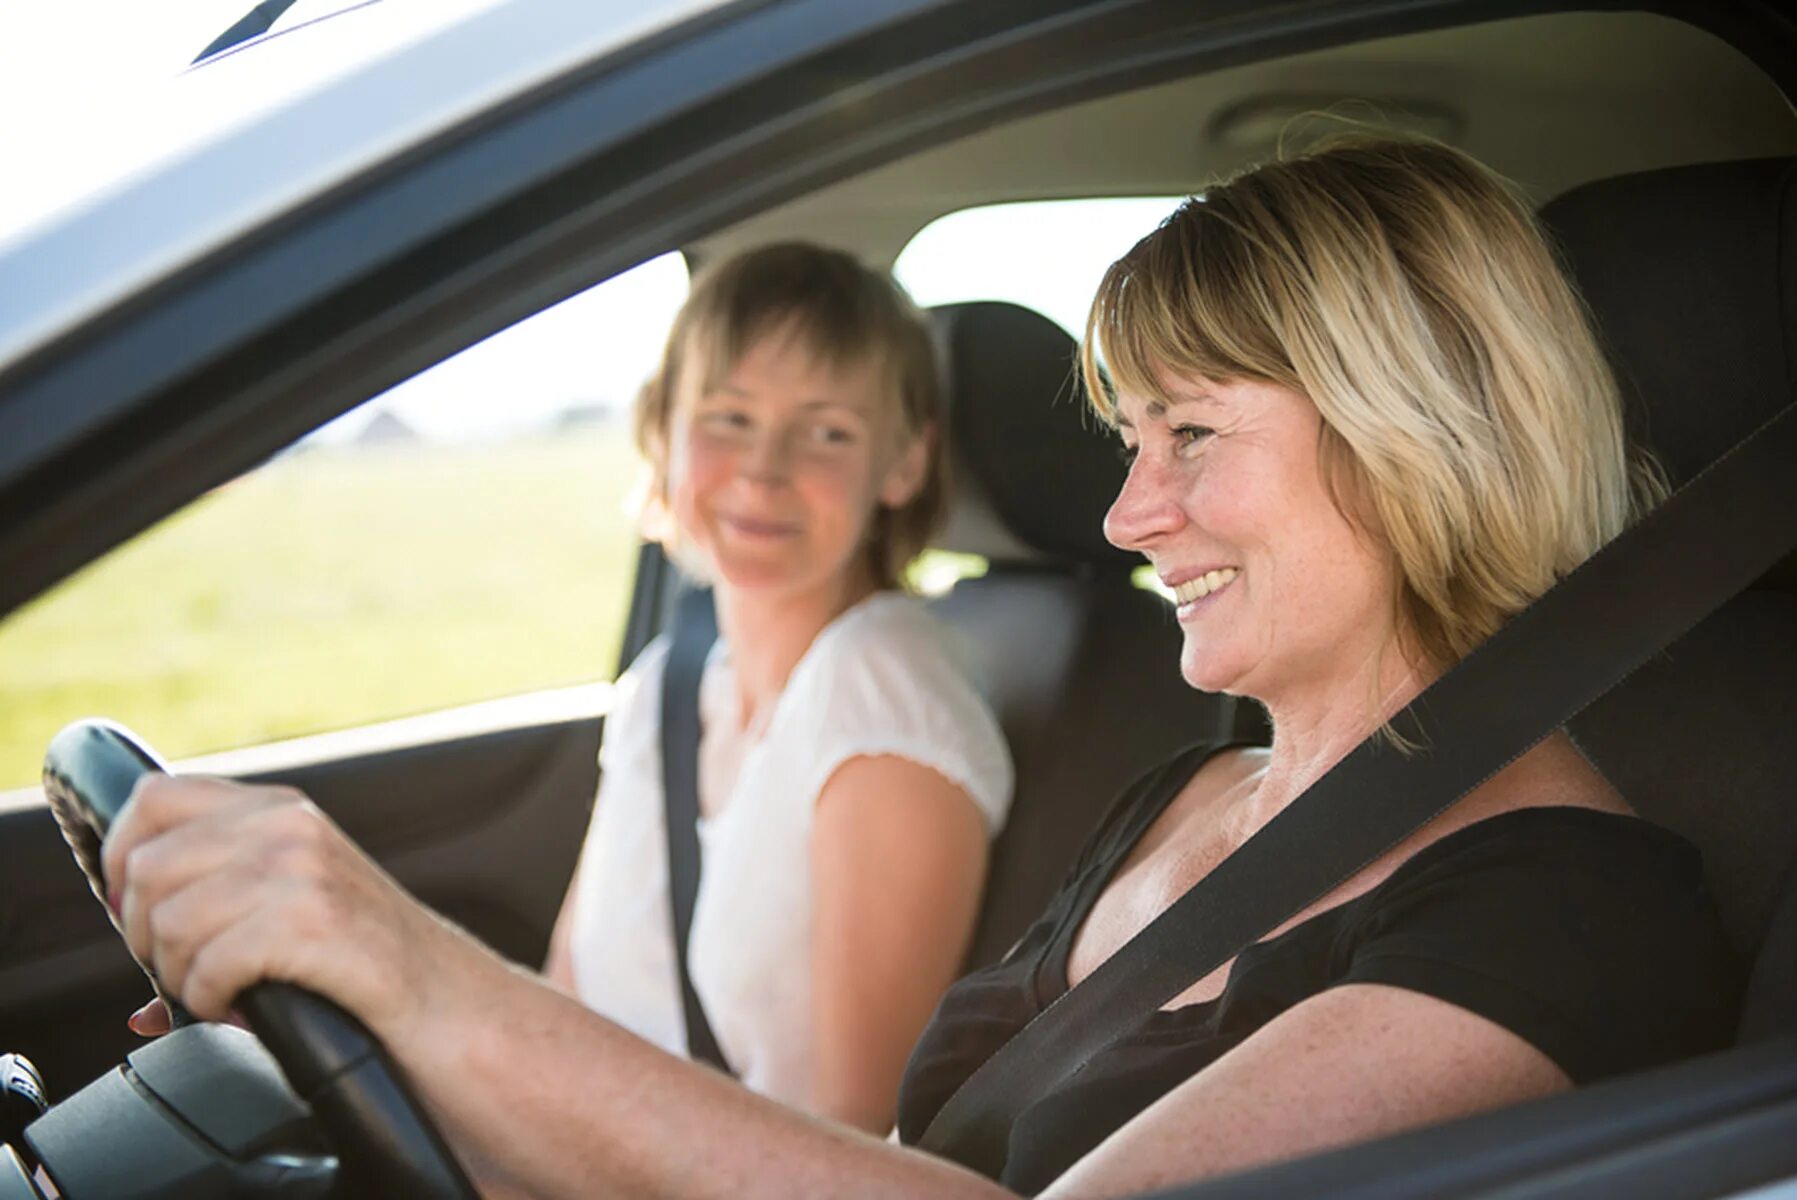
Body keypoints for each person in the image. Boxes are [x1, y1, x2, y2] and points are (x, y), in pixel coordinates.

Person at [104, 137, 1738, 1199]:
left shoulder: (1569, 917)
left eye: (1189, 434)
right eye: (1121, 437)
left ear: (1413, 439)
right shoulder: (1195, 794)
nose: (1121, 512)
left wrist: (426, 981)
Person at [535, 241, 1013, 1133]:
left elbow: (850, 1136)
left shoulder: (880, 694)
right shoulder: (669, 687)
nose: (763, 469)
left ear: (903, 462)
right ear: (660, 431)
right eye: (727, 417)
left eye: (827, 431)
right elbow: (567, 995)